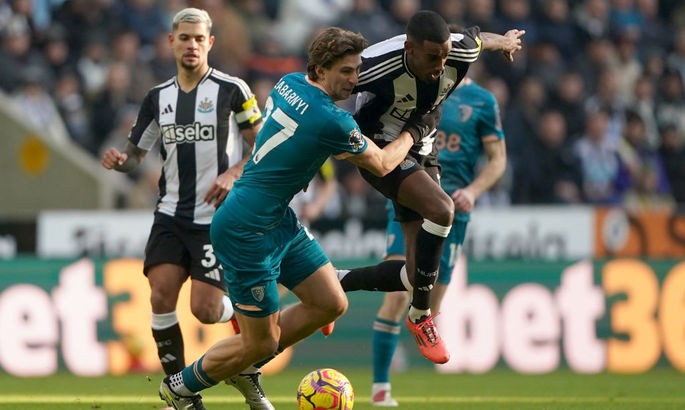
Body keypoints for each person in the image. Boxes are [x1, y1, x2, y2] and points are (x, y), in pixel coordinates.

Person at [158, 27, 436, 410]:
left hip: (277, 218)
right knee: (261, 342)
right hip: (246, 230)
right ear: (320, 70)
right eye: (346, 71)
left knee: (331, 303)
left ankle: (246, 367)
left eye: (357, 70)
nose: (354, 80)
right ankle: (180, 387)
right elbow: (385, 163)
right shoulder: (332, 121)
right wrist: (417, 129)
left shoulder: (288, 82)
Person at [100, 7, 262, 407]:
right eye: (184, 38)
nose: (191, 45)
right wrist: (122, 161)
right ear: (171, 42)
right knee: (160, 297)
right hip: (170, 214)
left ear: (210, 43)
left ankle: (245, 314)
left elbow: (262, 146)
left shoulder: (232, 89)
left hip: (215, 219)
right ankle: (182, 394)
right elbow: (137, 154)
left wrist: (233, 173)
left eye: (199, 38)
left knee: (205, 310)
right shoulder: (157, 98)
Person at [342, 10, 523, 364]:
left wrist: (504, 41)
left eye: (444, 55)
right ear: (409, 49)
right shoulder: (375, 65)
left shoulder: (460, 51)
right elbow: (326, 86)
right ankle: (421, 317)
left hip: (424, 148)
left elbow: (480, 40)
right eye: (431, 57)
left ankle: (335, 282)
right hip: (381, 148)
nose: (440, 65)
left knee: (416, 275)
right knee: (442, 210)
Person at [369, 77, 507, 406]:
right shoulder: (416, 87)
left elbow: (497, 159)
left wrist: (473, 191)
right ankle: (380, 388)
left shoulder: (482, 101)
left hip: (454, 208)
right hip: (411, 196)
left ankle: (346, 286)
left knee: (429, 304)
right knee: (396, 297)